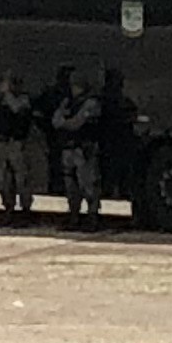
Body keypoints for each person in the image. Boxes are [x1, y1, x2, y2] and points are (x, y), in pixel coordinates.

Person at [43, 66, 100, 227]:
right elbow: (55, 121)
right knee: (70, 186)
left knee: (88, 184)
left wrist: (65, 122)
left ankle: (92, 217)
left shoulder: (91, 103)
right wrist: (64, 121)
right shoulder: (68, 102)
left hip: (84, 150)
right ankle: (74, 216)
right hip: (68, 149)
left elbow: (77, 123)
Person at [93, 68, 145, 227]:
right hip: (110, 147)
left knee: (129, 183)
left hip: (120, 147)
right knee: (104, 182)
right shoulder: (107, 101)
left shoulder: (119, 101)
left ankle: (137, 216)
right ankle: (94, 215)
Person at [0, 74, 40, 225]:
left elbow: (17, 110)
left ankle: (25, 211)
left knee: (21, 179)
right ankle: (8, 209)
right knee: (5, 179)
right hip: (3, 143)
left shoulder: (23, 99)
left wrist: (7, 94)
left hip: (17, 144)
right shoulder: (2, 100)